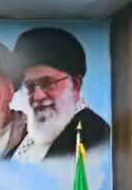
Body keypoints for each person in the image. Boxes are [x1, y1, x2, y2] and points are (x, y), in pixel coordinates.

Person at [11, 27, 111, 163]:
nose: (37, 96)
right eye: (30, 86)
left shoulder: (96, 138)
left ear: (75, 84)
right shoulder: (25, 135)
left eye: (47, 83)